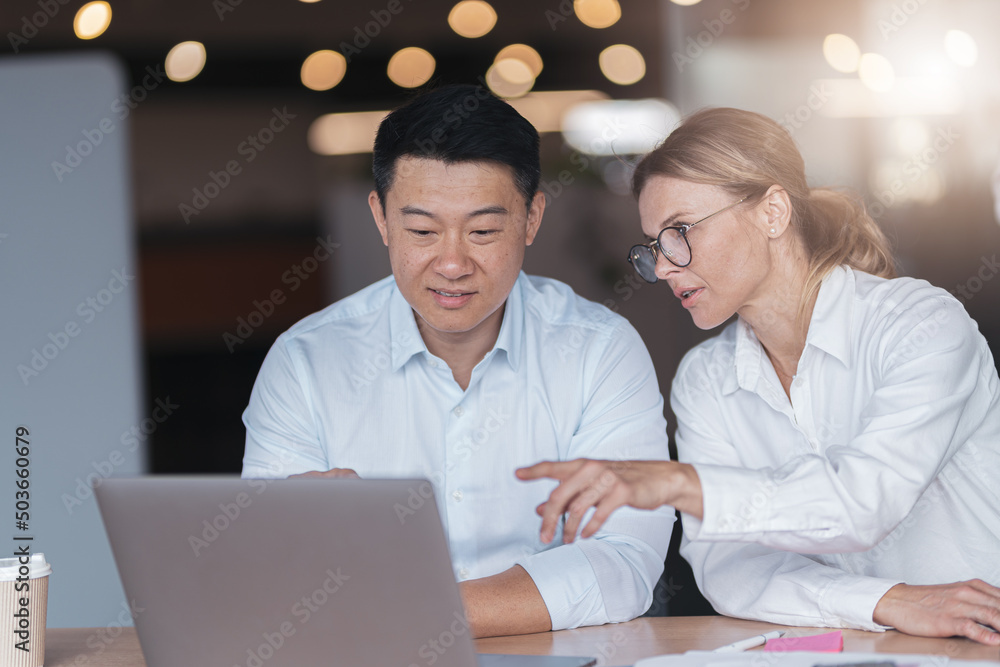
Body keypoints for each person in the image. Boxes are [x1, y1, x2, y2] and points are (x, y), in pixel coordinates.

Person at [518, 107, 1000, 644]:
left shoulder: (920, 324)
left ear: (772, 212)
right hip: (853, 652)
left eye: (679, 232)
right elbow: (730, 571)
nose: (662, 267)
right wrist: (888, 602)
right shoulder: (705, 379)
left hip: (978, 645)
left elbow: (865, 501)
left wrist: (682, 484)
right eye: (654, 245)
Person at [241, 85, 674, 638]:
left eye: (484, 231)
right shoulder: (305, 363)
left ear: (532, 218)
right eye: (422, 231)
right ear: (381, 218)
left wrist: (415, 610)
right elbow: (267, 569)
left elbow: (624, 564)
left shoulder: (598, 351)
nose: (451, 263)